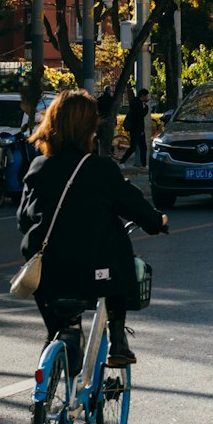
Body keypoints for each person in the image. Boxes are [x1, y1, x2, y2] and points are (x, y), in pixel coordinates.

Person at [18, 88, 167, 389]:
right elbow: (136, 207)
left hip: (45, 275)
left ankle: (57, 344)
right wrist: (157, 221)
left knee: (57, 323)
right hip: (96, 273)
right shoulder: (101, 169)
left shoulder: (38, 168)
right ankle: (118, 337)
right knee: (118, 249)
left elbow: (23, 219)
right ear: (90, 127)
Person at [120, 82, 149, 169]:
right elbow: (141, 115)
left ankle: (123, 161)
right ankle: (143, 165)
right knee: (141, 147)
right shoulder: (138, 104)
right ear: (143, 96)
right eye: (146, 96)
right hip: (138, 129)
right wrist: (146, 107)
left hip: (134, 129)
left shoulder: (134, 102)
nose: (147, 98)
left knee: (135, 147)